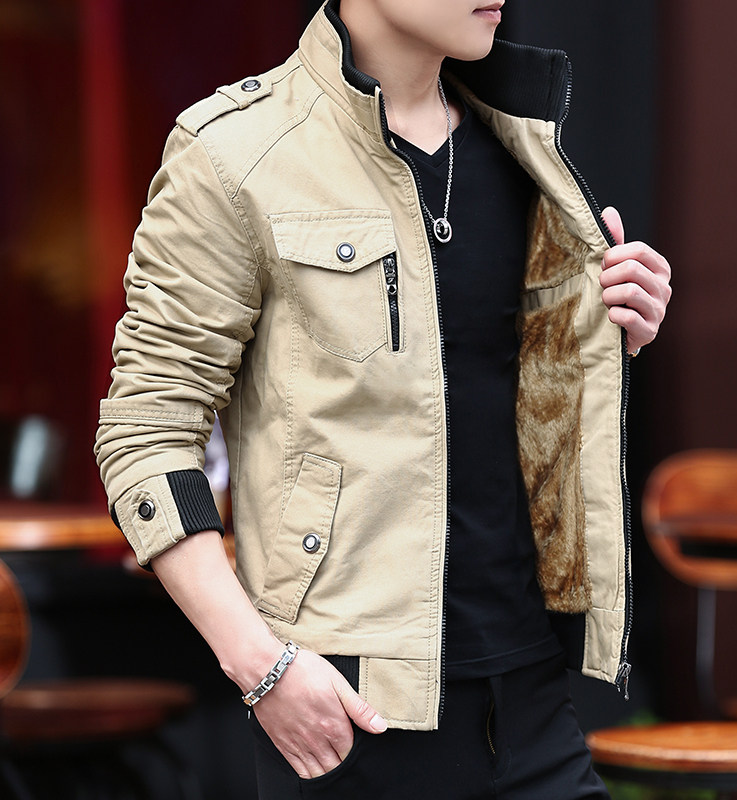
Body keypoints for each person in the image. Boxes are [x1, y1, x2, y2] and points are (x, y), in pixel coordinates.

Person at [95, 0, 671, 797]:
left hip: (531, 697)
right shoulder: (235, 152)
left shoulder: (524, 146)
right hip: (350, 707)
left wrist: (612, 328)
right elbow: (146, 433)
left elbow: (489, 389)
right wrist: (262, 668)